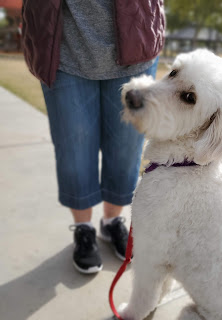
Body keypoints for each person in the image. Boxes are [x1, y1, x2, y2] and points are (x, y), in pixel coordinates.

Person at [22, 0, 165, 274]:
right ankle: (84, 228)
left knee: (126, 151)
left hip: (135, 42)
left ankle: (112, 223)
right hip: (62, 49)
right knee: (73, 150)